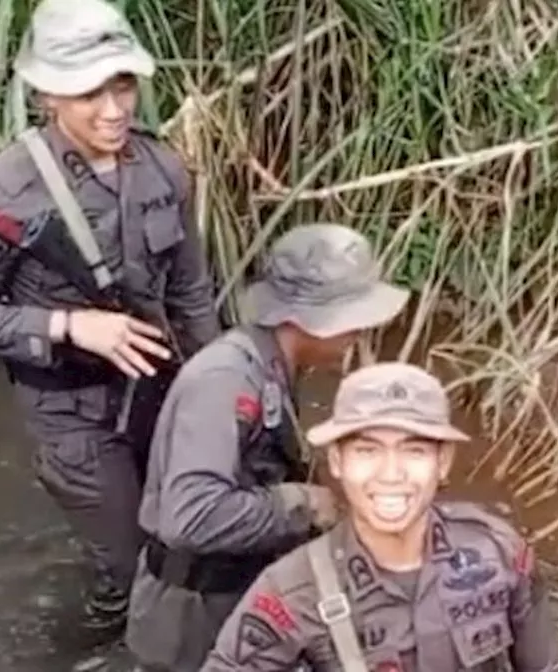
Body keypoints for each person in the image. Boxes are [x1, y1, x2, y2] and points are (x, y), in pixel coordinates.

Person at [0, 0, 219, 636]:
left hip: (157, 392)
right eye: (90, 92)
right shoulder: (2, 191)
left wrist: (220, 395)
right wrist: (65, 326)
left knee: (186, 541)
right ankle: (96, 631)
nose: (115, 109)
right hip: (71, 415)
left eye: (124, 85)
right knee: (132, 571)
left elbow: (192, 296)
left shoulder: (163, 168)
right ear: (46, 93)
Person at [126, 223, 413, 671]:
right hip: (191, 618)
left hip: (231, 594)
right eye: (353, 319)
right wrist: (303, 504)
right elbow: (190, 517)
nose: (362, 332)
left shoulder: (271, 367)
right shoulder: (226, 381)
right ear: (302, 320)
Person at [201, 363, 558, 671]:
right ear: (337, 462)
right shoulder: (291, 591)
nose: (391, 473)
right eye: (367, 450)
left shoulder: (500, 552)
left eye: (414, 451)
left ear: (443, 462)